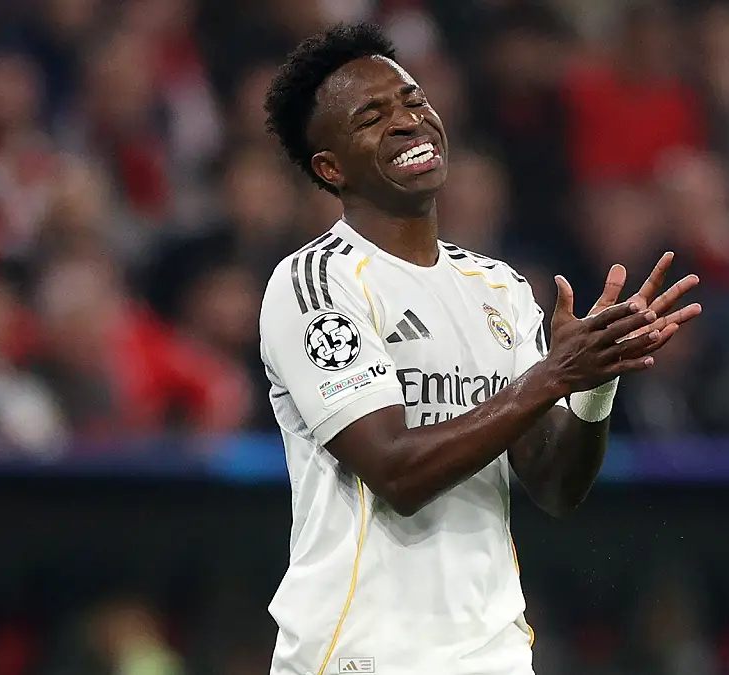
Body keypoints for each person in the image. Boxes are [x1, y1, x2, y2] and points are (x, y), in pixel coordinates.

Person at [259, 23, 702, 675]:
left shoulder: (497, 288)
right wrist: (551, 375)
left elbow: (554, 486)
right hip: (361, 652)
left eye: (413, 100)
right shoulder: (314, 285)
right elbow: (396, 472)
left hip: (492, 653)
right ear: (330, 167)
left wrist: (594, 382)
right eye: (373, 117)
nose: (410, 122)